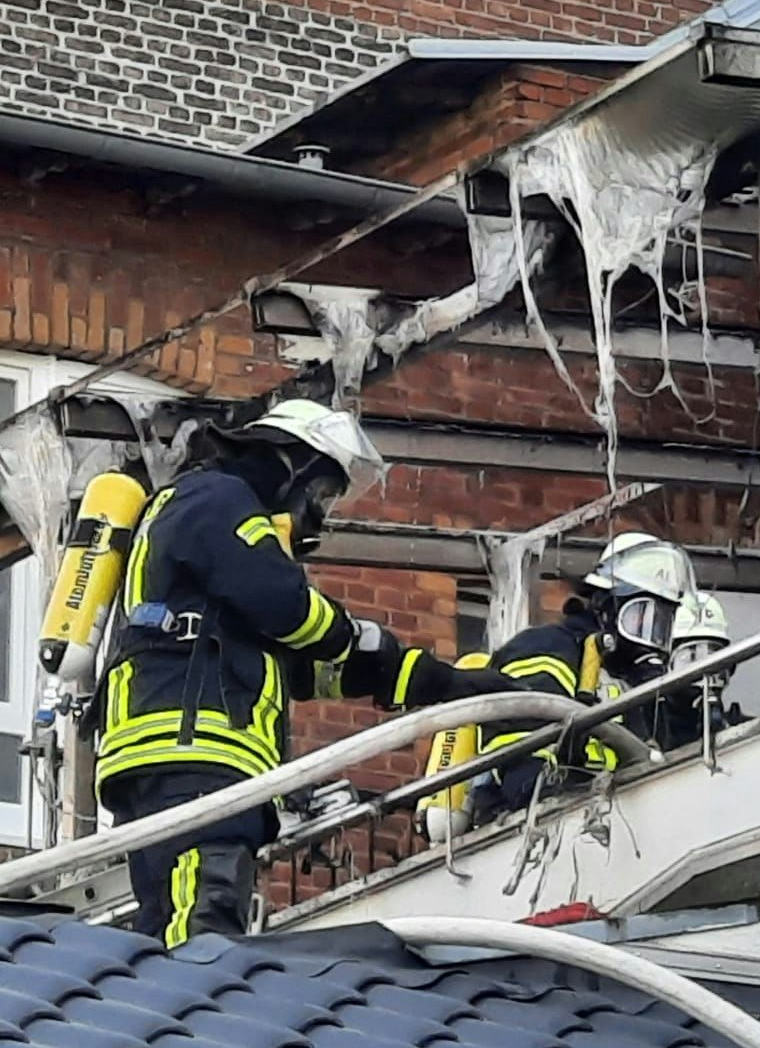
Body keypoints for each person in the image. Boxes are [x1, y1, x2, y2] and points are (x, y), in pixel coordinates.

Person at [97, 398, 517, 946]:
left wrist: (440, 683)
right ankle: (189, 1008)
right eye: (320, 494)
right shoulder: (217, 497)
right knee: (206, 914)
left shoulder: (216, 564)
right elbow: (288, 607)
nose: (320, 512)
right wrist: (347, 633)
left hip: (180, 753)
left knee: (171, 919)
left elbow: (311, 669)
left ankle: (163, 1011)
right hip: (195, 750)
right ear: (288, 465)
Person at [473, 531, 697, 817]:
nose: (651, 636)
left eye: (661, 625)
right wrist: (549, 788)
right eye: (641, 617)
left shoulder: (635, 685)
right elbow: (521, 757)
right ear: (607, 608)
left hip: (618, 818)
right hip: (543, 820)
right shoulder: (547, 649)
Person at [657, 591, 745, 751]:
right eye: (690, 658)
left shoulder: (739, 734)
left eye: (713, 658)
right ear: (666, 665)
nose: (704, 673)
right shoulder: (651, 726)